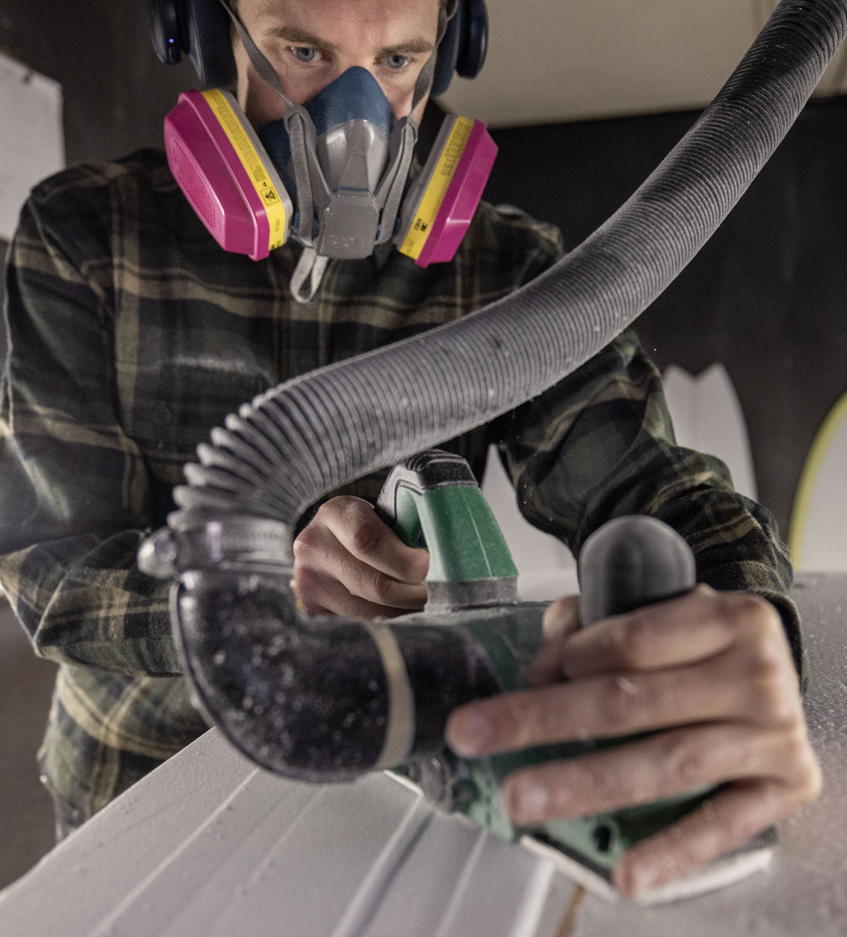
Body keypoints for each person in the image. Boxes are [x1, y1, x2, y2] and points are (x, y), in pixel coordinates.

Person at [0, 0, 819, 899]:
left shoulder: (503, 268)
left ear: (448, 55)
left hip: (383, 782)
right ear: (200, 36)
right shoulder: (84, 234)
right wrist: (253, 598)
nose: (353, 113)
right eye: (303, 51)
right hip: (140, 785)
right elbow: (52, 569)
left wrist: (738, 636)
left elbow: (653, 493)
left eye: (395, 62)